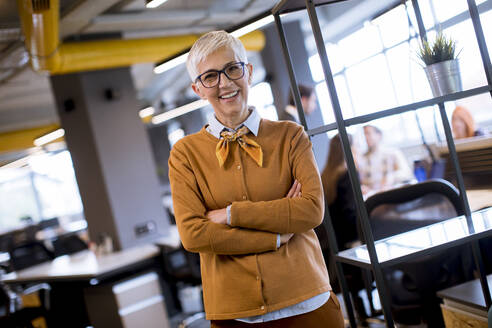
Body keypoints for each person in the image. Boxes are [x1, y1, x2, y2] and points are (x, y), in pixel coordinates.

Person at [168, 31, 344, 327]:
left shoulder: (291, 136)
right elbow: (193, 234)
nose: (224, 83)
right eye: (210, 76)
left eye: (232, 69)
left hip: (307, 301)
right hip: (234, 313)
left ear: (248, 72)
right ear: (198, 89)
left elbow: (311, 210)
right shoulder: (185, 154)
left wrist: (230, 214)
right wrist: (275, 236)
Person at [358, 125, 413, 195]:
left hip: (392, 193)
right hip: (372, 197)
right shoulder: (362, 158)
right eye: (364, 134)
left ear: (379, 135)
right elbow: (361, 182)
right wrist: (362, 187)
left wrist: (391, 177)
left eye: (368, 133)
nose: (366, 137)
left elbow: (407, 173)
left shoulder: (393, 153)